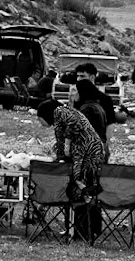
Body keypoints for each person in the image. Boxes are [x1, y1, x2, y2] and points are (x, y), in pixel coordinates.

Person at [37, 96, 107, 240]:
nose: (39, 122)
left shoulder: (60, 111)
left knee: (81, 188)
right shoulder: (60, 119)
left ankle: (82, 231)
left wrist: (68, 143)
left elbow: (74, 125)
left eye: (39, 118)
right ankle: (84, 229)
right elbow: (60, 142)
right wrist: (59, 156)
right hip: (85, 152)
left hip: (88, 152)